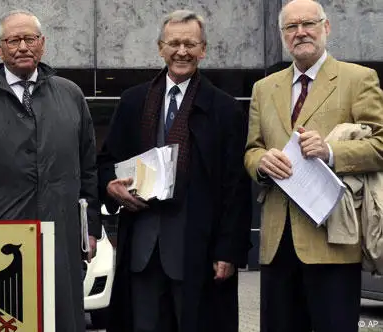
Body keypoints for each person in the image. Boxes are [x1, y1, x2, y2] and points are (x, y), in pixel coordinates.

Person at [0, 9, 100, 332]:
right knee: (6, 318)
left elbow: (88, 169)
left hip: (61, 236)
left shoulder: (70, 95)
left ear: (42, 44)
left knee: (60, 320)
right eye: (14, 40)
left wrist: (91, 228)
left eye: (30, 38)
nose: (23, 46)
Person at [98, 9, 251, 332]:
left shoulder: (224, 109)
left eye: (191, 44)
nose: (182, 51)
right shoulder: (133, 101)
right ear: (160, 48)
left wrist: (229, 250)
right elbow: (105, 163)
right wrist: (111, 187)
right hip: (142, 249)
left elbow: (235, 187)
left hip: (197, 250)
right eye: (175, 43)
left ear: (203, 49)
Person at [244, 0, 383, 331]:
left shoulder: (359, 79)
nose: (300, 32)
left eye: (308, 23)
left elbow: (379, 144)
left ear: (327, 27)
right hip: (278, 244)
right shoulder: (263, 88)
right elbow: (252, 149)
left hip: (333, 240)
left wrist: (331, 151)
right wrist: (261, 163)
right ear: (283, 35)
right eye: (291, 27)